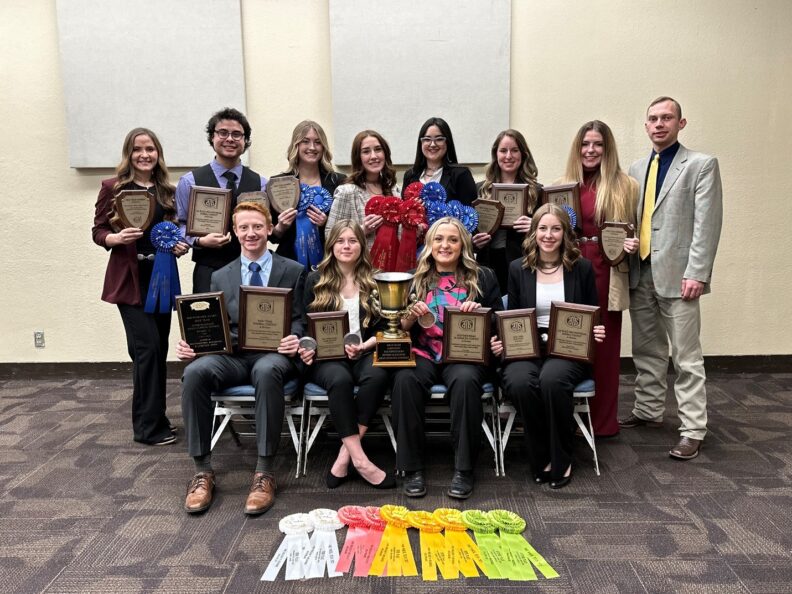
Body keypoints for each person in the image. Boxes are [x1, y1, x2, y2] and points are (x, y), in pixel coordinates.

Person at [178, 202, 306, 515]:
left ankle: (264, 472)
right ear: (235, 232)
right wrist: (194, 345)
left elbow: (302, 319)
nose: (251, 233)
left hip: (274, 356)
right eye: (244, 228)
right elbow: (212, 325)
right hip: (232, 358)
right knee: (195, 372)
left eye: (257, 227)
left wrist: (296, 337)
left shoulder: (293, 270)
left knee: (266, 372)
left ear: (269, 229)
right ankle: (202, 469)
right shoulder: (220, 276)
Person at [620, 97, 723, 461]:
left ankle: (693, 428)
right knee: (647, 349)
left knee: (686, 356)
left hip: (680, 277)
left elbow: (707, 225)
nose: (659, 124)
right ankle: (648, 410)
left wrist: (698, 272)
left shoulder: (700, 165)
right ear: (646, 125)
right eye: (653, 119)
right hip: (641, 270)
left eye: (667, 118)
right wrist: (628, 239)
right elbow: (633, 218)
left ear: (681, 123)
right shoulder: (634, 167)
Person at [493, 203, 605, 489]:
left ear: (565, 233)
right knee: (519, 382)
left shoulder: (581, 268)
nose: (549, 235)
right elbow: (514, 316)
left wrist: (597, 330)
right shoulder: (518, 268)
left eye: (556, 229)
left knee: (552, 380)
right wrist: (503, 341)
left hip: (566, 348)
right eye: (543, 228)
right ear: (534, 232)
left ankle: (562, 457)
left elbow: (592, 312)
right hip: (527, 347)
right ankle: (541, 454)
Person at [390, 217, 502, 499]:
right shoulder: (412, 277)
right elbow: (397, 328)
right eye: (439, 239)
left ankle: (464, 469)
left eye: (453, 239)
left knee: (465, 381)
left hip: (463, 354)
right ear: (429, 244)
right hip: (424, 350)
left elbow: (498, 323)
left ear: (462, 244)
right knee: (405, 379)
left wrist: (479, 313)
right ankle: (411, 468)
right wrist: (410, 318)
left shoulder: (483, 276)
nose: (445, 245)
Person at [92, 128, 188, 446]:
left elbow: (174, 231)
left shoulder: (167, 192)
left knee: (156, 350)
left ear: (158, 154)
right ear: (128, 153)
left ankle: (156, 419)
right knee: (145, 349)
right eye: (137, 149)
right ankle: (147, 428)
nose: (144, 154)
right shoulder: (112, 188)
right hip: (130, 281)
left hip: (160, 280)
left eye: (150, 149)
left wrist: (179, 245)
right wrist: (115, 239)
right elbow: (98, 231)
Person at [555, 121, 639, 437]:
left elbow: (635, 230)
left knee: (603, 344)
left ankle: (601, 423)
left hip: (607, 270)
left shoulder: (625, 185)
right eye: (585, 144)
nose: (591, 150)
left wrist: (632, 244)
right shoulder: (562, 186)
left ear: (607, 149)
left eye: (598, 144)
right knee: (568, 339)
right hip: (570, 267)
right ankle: (566, 418)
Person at [299, 220, 395, 490]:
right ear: (331, 246)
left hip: (364, 351)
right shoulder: (315, 279)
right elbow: (302, 323)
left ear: (362, 246)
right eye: (340, 241)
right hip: (327, 357)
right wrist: (306, 346)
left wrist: (365, 346)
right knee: (339, 381)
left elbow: (386, 327)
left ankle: (345, 456)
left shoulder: (376, 280)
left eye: (353, 240)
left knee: (377, 376)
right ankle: (362, 461)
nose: (346, 246)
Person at [175, 107, 268, 292]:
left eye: (237, 134)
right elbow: (179, 225)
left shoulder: (262, 184)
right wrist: (199, 241)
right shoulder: (190, 182)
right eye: (223, 133)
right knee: (210, 321)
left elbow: (268, 227)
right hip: (208, 270)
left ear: (245, 140)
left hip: (251, 270)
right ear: (212, 137)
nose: (230, 139)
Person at [474, 129, 542, 292]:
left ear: (523, 154)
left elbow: (548, 231)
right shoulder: (480, 190)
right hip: (488, 263)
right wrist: (473, 243)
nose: (508, 156)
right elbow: (467, 230)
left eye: (514, 150)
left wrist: (535, 226)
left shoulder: (537, 191)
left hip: (524, 261)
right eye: (503, 151)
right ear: (495, 155)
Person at [269, 120, 344, 265]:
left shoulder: (338, 182)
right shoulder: (278, 183)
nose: (312, 147)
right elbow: (271, 236)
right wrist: (280, 227)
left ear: (323, 147)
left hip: (330, 264)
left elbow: (347, 227)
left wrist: (327, 224)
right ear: (296, 145)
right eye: (305, 141)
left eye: (317, 142)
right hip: (289, 265)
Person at [325, 129, 400, 245]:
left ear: (385, 153)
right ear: (358, 157)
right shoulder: (347, 192)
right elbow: (329, 235)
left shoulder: (395, 190)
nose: (374, 156)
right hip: (361, 262)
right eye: (366, 152)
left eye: (378, 149)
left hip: (394, 262)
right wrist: (361, 230)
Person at [402, 117, 477, 204]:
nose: (433, 144)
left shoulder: (461, 175)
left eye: (439, 139)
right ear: (421, 143)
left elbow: (470, 214)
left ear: (447, 142)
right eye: (427, 139)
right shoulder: (410, 175)